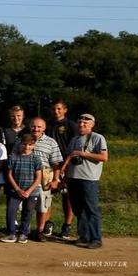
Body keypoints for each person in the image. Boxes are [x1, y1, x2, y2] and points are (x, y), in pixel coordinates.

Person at [61, 114, 107, 249]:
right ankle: (84, 237)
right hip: (73, 178)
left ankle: (96, 239)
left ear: (92, 125)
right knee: (78, 209)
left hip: (89, 179)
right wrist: (64, 178)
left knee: (91, 209)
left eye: (85, 123)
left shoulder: (98, 138)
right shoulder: (74, 139)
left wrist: (83, 154)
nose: (81, 125)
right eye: (80, 123)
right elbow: (69, 158)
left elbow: (104, 157)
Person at [26, 118, 64, 242]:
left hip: (45, 178)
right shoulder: (23, 139)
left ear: (44, 128)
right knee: (25, 206)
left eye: (39, 127)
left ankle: (40, 231)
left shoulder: (51, 142)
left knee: (42, 206)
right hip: (26, 177)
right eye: (33, 126)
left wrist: (56, 180)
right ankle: (24, 230)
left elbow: (56, 164)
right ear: (29, 127)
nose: (35, 129)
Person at [1, 134, 43, 244]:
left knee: (28, 212)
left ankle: (23, 234)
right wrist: (18, 189)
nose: (27, 147)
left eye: (30, 145)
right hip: (16, 190)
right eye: (24, 144)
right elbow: (9, 174)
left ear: (33, 145)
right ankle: (11, 233)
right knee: (11, 210)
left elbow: (38, 177)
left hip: (32, 191)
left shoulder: (36, 158)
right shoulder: (13, 156)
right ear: (20, 144)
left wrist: (28, 191)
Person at [47, 100, 79, 240]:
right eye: (54, 109)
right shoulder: (47, 124)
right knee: (47, 195)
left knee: (67, 196)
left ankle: (67, 225)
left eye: (59, 109)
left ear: (65, 110)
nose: (56, 111)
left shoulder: (71, 125)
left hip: (66, 164)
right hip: (50, 165)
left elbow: (76, 145)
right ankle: (47, 224)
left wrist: (67, 164)